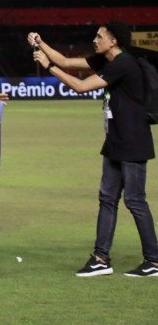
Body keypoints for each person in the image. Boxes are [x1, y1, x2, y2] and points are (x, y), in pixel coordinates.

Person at [31, 24, 158, 278]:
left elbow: (80, 86)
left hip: (133, 141)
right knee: (107, 199)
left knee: (135, 201)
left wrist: (48, 66)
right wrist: (41, 43)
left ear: (113, 41)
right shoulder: (106, 60)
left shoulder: (123, 64)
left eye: (100, 36)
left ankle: (154, 261)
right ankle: (101, 258)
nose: (95, 39)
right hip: (115, 140)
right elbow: (67, 61)